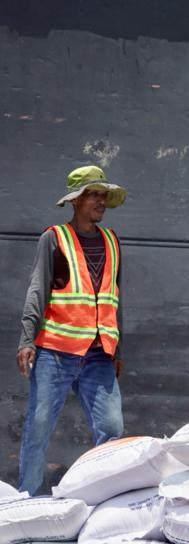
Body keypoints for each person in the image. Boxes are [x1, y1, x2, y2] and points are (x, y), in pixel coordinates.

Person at [16, 165, 126, 495]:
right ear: (76, 200)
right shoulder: (55, 238)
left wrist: (118, 349)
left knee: (111, 428)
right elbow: (38, 289)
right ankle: (28, 498)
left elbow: (117, 298)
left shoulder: (112, 241)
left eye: (103, 195)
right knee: (38, 428)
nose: (101, 201)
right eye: (94, 194)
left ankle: (103, 497)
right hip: (55, 353)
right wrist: (27, 339)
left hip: (98, 355)